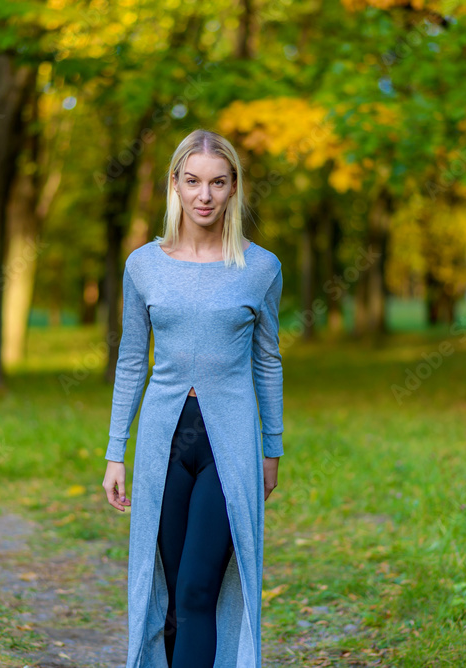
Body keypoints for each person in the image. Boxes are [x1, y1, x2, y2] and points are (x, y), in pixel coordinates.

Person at [102, 128, 284, 668]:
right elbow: (131, 359)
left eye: (218, 183)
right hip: (164, 446)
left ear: (234, 188)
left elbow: (268, 360)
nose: (205, 195)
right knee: (172, 602)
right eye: (193, 181)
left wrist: (271, 448)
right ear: (175, 185)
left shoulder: (261, 268)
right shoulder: (143, 266)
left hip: (229, 447)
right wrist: (115, 452)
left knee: (198, 591)